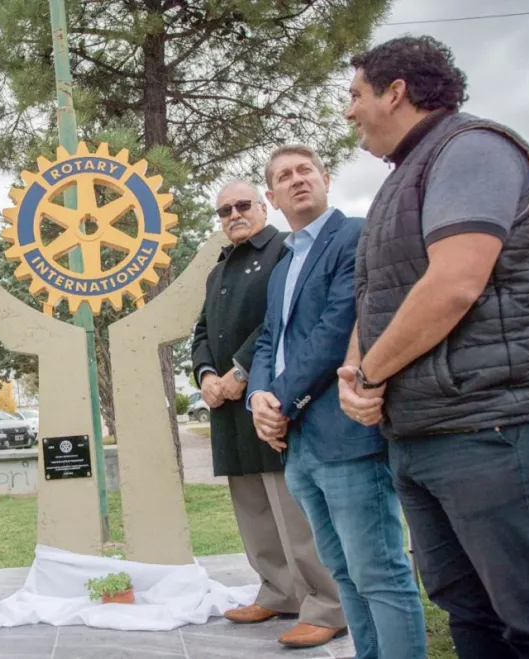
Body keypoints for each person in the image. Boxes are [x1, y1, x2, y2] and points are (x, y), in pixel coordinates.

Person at [339, 35, 529, 658]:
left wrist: (371, 376)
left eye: (355, 95)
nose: (348, 112)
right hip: (424, 436)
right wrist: (355, 367)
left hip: (491, 431)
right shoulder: (404, 177)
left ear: (396, 91)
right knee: (468, 613)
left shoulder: (472, 149)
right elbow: (378, 294)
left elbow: (454, 283)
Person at [247, 145, 426, 658]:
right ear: (272, 195)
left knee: (380, 574)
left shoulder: (354, 236)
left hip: (345, 436)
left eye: (306, 170)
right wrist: (259, 396)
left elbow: (335, 331)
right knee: (344, 573)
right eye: (284, 176)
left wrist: (279, 402)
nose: (297, 180)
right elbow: (269, 340)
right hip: (299, 447)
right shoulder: (284, 263)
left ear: (325, 178)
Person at [190, 183, 345, 649]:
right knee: (254, 511)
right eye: (224, 210)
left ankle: (328, 606)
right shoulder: (219, 269)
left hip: (270, 399)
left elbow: (276, 322)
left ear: (263, 206)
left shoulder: (283, 249)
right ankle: (279, 593)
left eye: (242, 205)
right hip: (227, 410)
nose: (233, 214)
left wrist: (239, 370)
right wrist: (204, 376)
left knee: (293, 512)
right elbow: (201, 330)